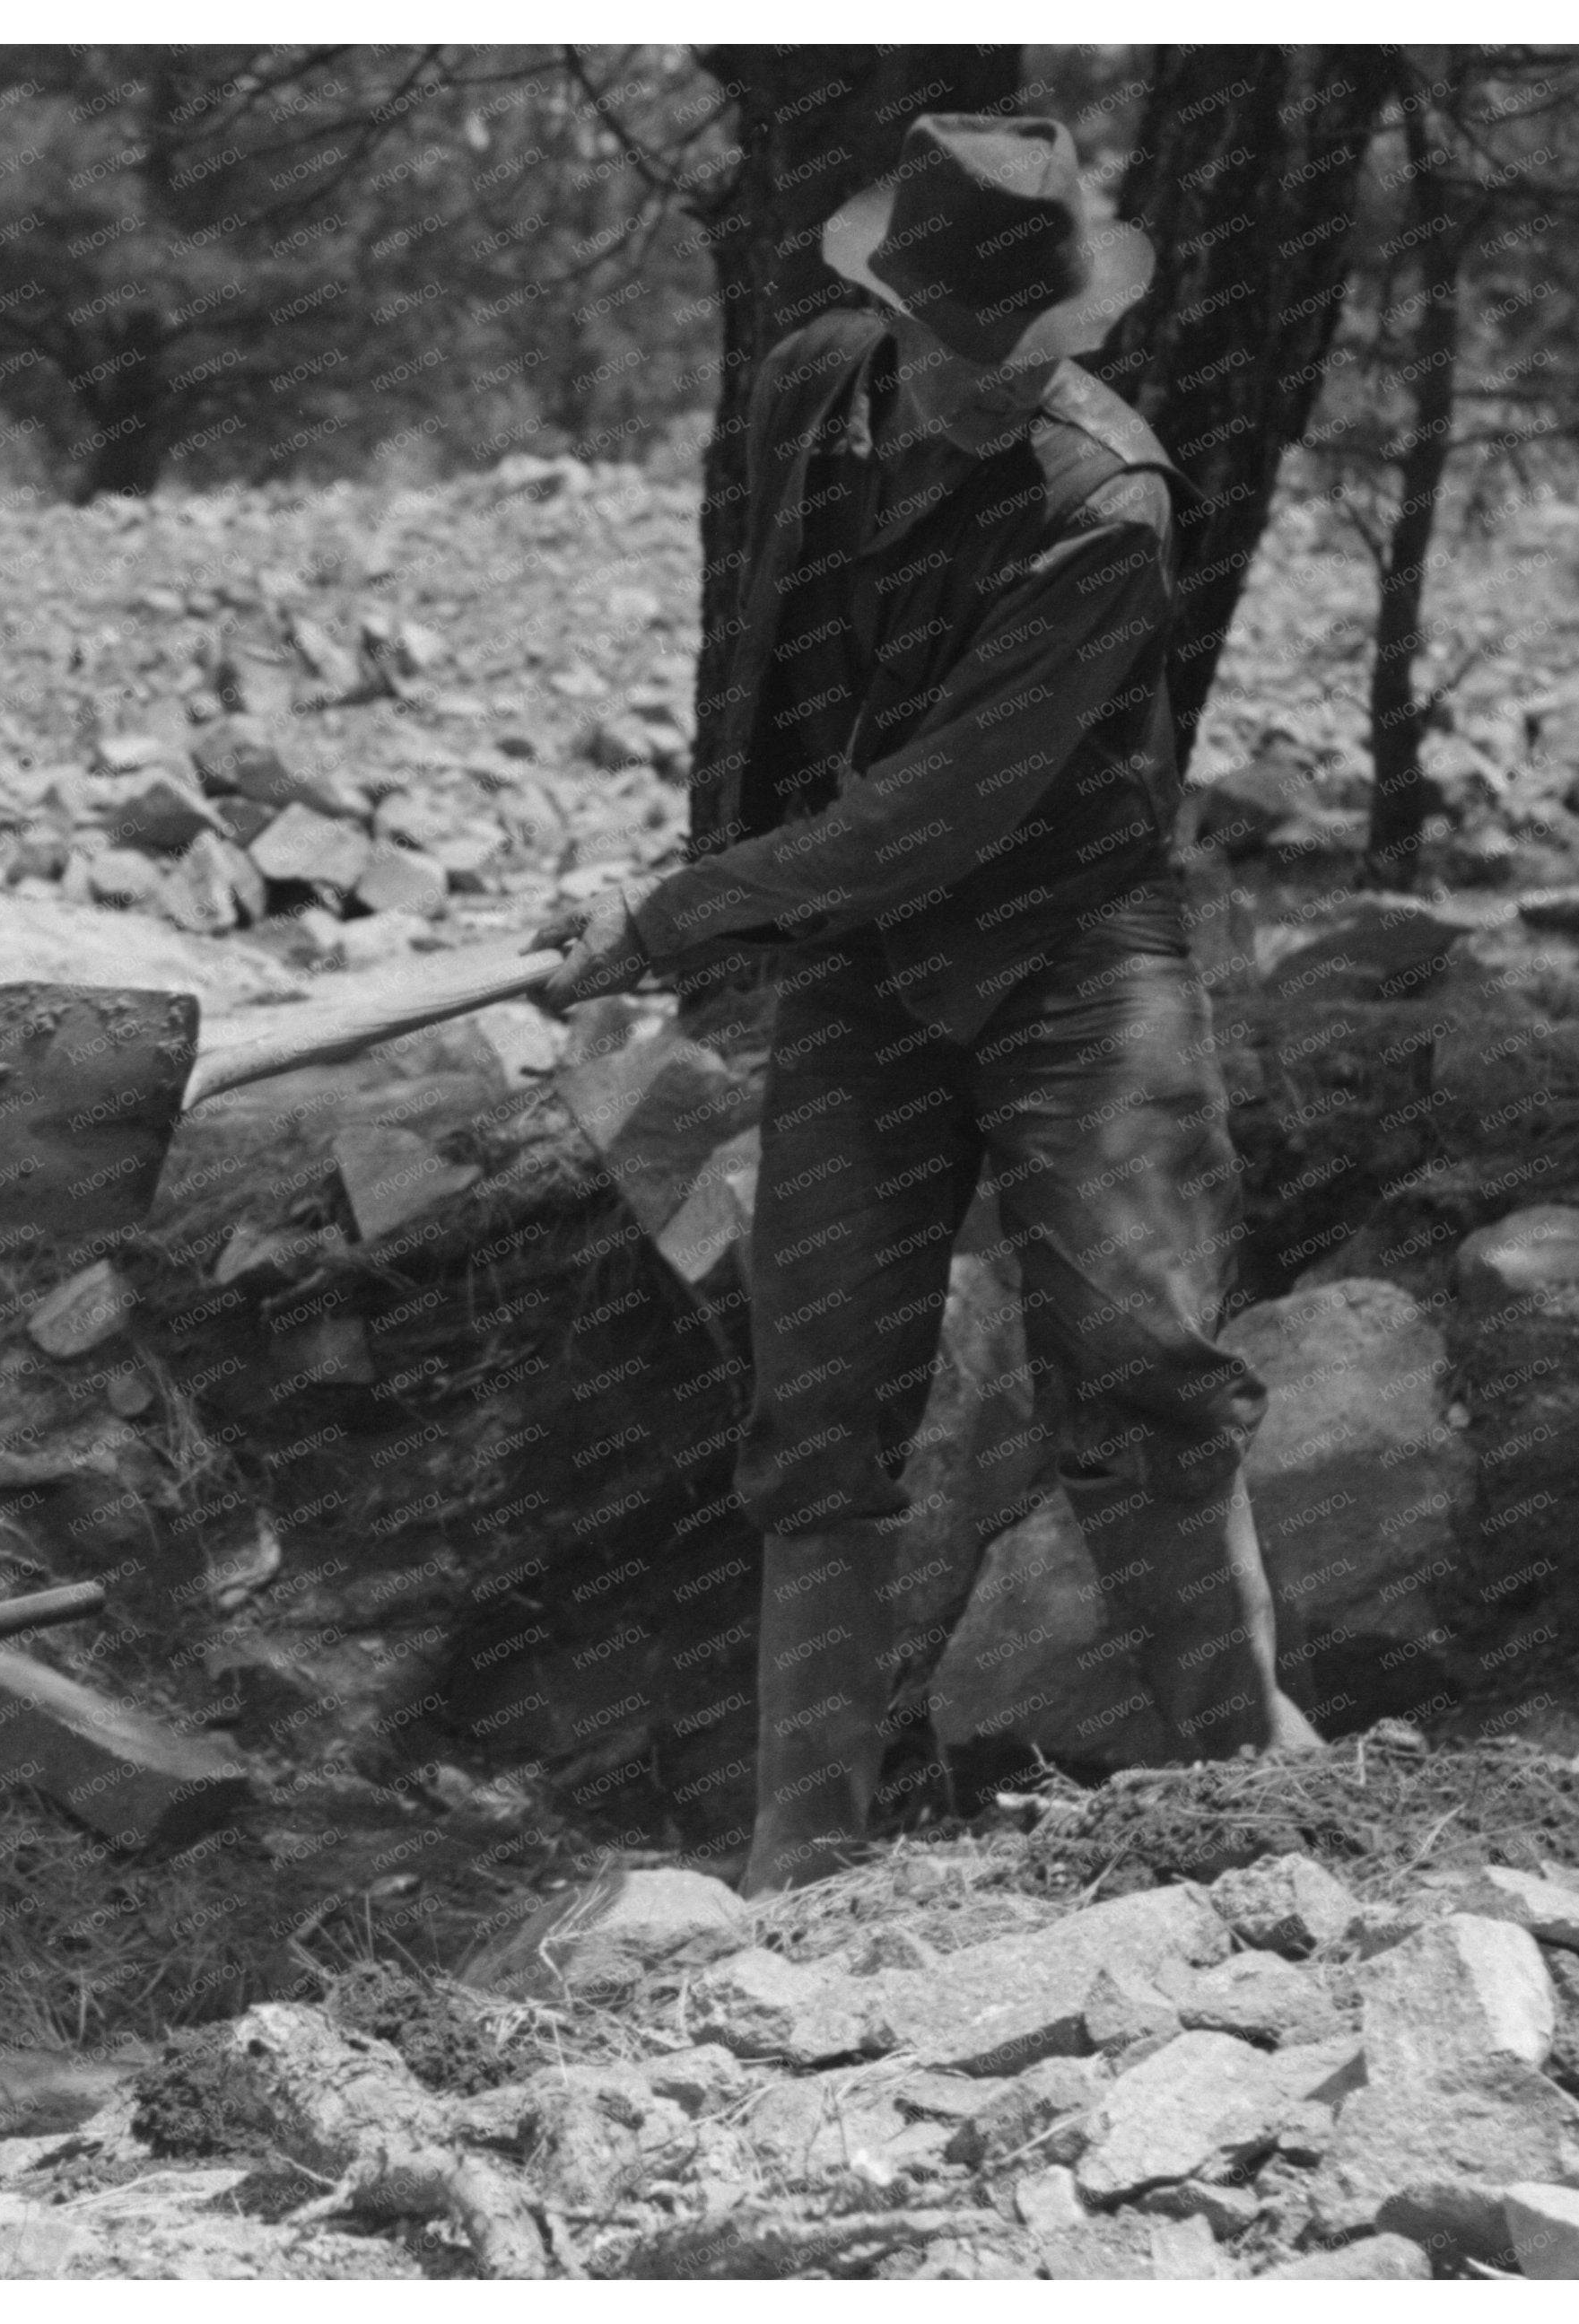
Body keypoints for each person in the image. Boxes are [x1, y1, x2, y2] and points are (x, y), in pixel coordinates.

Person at [537, 114, 1321, 1898]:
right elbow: (778, 668)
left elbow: (938, 812)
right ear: (898, 307)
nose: (991, 381)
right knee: (816, 1405)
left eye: (1024, 351)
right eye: (965, 345)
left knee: (1137, 1363)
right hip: (864, 967)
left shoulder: (1102, 500)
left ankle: (1266, 1790)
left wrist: (675, 912)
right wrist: (696, 876)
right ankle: (798, 1859)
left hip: (1067, 947)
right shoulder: (816, 393)